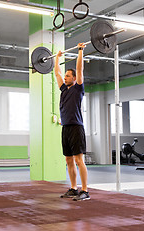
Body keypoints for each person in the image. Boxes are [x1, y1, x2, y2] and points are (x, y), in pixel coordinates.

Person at [55, 42, 90, 201]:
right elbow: (57, 73)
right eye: (66, 76)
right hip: (66, 128)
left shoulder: (78, 89)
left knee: (78, 159)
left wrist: (80, 51)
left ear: (74, 79)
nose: (65, 77)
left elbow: (80, 69)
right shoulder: (63, 89)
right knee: (68, 160)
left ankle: (85, 190)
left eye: (68, 76)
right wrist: (57, 58)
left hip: (76, 127)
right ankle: (73, 188)